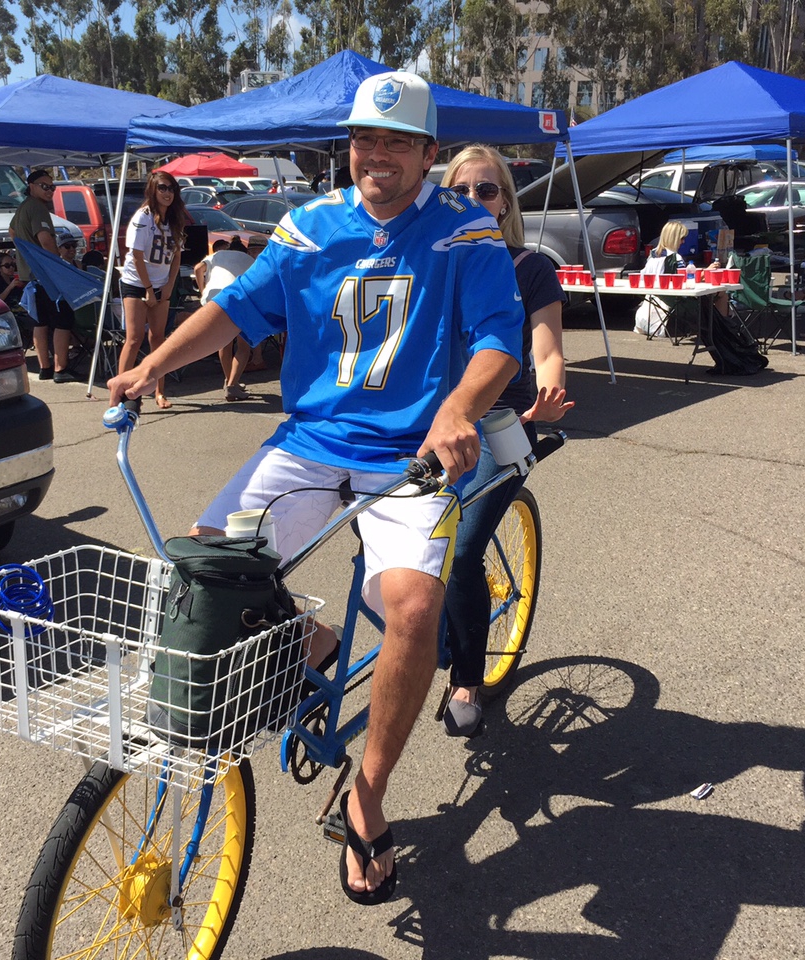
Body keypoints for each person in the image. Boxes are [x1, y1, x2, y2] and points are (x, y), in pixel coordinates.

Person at [109, 72, 524, 905]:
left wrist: (456, 407)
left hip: (410, 456)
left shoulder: (465, 233)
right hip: (310, 444)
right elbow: (239, 313)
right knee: (209, 569)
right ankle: (313, 642)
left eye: (396, 142)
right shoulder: (308, 226)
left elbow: (498, 343)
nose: (377, 155)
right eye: (365, 139)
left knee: (411, 607)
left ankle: (367, 797)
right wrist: (150, 363)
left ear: (427, 155)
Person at [438, 145, 573, 738]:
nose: (472, 200)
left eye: (486, 190)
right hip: (434, 423)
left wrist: (547, 395)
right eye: (460, 190)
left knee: (462, 553)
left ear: (505, 203)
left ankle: (466, 677)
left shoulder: (531, 266)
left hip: (504, 424)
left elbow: (545, 348)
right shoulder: (432, 260)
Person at [118, 171, 185, 408]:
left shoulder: (175, 219)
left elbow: (176, 255)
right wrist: (147, 288)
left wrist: (168, 285)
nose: (168, 193)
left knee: (158, 339)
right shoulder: (143, 217)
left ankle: (159, 392)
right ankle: (121, 394)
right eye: (163, 188)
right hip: (137, 283)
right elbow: (135, 255)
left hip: (161, 284)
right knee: (134, 338)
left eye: (172, 189)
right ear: (153, 191)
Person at [9, 169, 78, 383]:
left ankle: (45, 368)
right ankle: (60, 369)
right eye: (44, 186)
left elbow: (12, 232)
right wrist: (58, 265)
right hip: (45, 276)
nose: (50, 190)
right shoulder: (38, 208)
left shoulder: (22, 208)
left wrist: (25, 254)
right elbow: (46, 240)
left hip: (30, 276)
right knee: (63, 320)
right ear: (31, 186)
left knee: (40, 323)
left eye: (52, 187)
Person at [193, 238, 258, 401]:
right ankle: (232, 384)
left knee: (224, 343)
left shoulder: (217, 255)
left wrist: (203, 292)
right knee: (243, 345)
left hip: (215, 298)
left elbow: (198, 268)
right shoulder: (250, 260)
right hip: (238, 298)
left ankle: (229, 380)